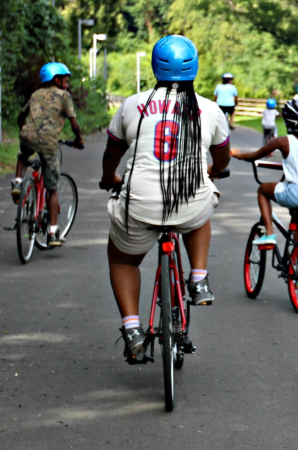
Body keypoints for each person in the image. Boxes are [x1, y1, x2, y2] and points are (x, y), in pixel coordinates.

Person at [101, 35, 231, 361]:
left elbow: (112, 153)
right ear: (194, 69)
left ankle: (132, 328)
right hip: (189, 204)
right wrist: (214, 171)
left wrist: (108, 178)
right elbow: (223, 157)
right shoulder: (211, 109)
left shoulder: (132, 104)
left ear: (155, 68)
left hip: (139, 204)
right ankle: (198, 279)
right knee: (202, 205)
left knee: (122, 259)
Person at [230, 99, 298, 244]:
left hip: (296, 195)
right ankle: (297, 261)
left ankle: (269, 234)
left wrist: (236, 154)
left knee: (262, 190)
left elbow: (254, 156)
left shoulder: (282, 141)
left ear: (288, 121)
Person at [13, 62, 84, 246]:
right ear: (57, 80)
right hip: (48, 143)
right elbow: (74, 124)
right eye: (65, 81)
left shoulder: (36, 94)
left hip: (27, 136)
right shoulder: (64, 96)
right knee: (52, 188)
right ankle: (53, 232)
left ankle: (18, 183)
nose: (67, 85)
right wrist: (79, 140)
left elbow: (21, 116)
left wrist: (24, 130)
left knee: (23, 156)